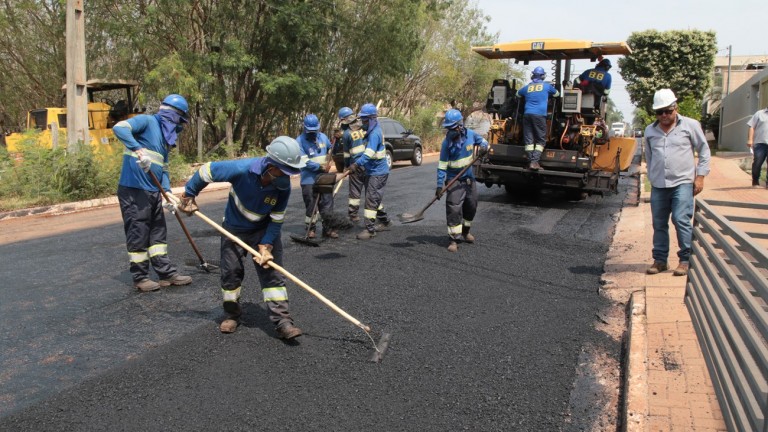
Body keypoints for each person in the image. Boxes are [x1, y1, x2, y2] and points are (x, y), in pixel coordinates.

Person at [177, 136, 306, 339]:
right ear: (271, 166)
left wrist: (267, 245)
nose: (288, 176)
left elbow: (277, 219)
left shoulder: (283, 186)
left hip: (264, 230)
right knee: (231, 273)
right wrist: (189, 194)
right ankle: (232, 315)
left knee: (272, 274)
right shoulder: (241, 169)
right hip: (234, 229)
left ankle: (283, 321)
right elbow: (206, 170)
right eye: (285, 171)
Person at [113, 94, 193, 292]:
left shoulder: (165, 139)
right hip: (134, 189)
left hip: (154, 190)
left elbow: (163, 168)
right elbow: (119, 128)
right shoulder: (147, 121)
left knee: (158, 233)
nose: (179, 126)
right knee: (138, 231)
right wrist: (138, 149)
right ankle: (140, 277)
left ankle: (166, 274)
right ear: (173, 115)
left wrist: (167, 194)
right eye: (179, 120)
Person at [644, 88, 711, 277]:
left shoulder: (690, 125)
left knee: (681, 219)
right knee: (658, 223)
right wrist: (652, 176)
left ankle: (685, 260)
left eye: (668, 111)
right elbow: (649, 156)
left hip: (682, 182)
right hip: (659, 184)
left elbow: (704, 151)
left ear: (676, 107)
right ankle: (660, 260)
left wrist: (700, 176)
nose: (664, 115)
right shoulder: (650, 130)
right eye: (660, 112)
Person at [435, 109, 489, 252]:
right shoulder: (446, 143)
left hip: (469, 179)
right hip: (454, 180)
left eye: (452, 128)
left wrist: (484, 148)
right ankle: (453, 239)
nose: (450, 131)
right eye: (449, 128)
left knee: (471, 206)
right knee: (454, 208)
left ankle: (465, 231)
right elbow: (442, 166)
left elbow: (484, 142)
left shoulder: (471, 135)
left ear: (460, 126)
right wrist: (439, 185)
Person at [348, 103, 392, 240]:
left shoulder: (374, 134)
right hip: (372, 170)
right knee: (374, 198)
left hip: (378, 172)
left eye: (365, 120)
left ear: (372, 119)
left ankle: (369, 230)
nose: (363, 122)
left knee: (371, 200)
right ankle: (385, 221)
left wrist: (356, 164)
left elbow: (368, 154)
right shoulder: (371, 131)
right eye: (362, 120)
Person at [296, 114, 337, 239]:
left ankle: (328, 229)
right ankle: (311, 228)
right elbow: (304, 161)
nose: (312, 133)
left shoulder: (323, 137)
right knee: (311, 204)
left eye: (315, 130)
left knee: (327, 203)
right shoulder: (299, 141)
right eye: (310, 131)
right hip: (309, 179)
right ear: (304, 128)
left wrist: (338, 141)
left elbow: (332, 149)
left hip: (324, 178)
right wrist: (319, 167)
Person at [516, 66, 559, 170]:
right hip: (539, 115)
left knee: (529, 140)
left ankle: (530, 161)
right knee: (541, 140)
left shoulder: (527, 87)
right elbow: (557, 94)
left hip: (527, 115)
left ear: (532, 75)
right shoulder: (547, 86)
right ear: (543, 76)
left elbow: (517, 94)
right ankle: (534, 162)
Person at [338, 106, 366, 222]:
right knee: (371, 190)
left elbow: (346, 154)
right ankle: (379, 214)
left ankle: (353, 215)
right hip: (368, 162)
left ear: (343, 120)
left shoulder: (346, 134)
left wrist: (346, 167)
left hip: (355, 165)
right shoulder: (364, 127)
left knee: (354, 191)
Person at [747, 107, 768, 187]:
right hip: (760, 143)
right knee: (757, 163)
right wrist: (750, 139)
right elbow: (752, 127)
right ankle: (755, 181)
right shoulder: (759, 113)